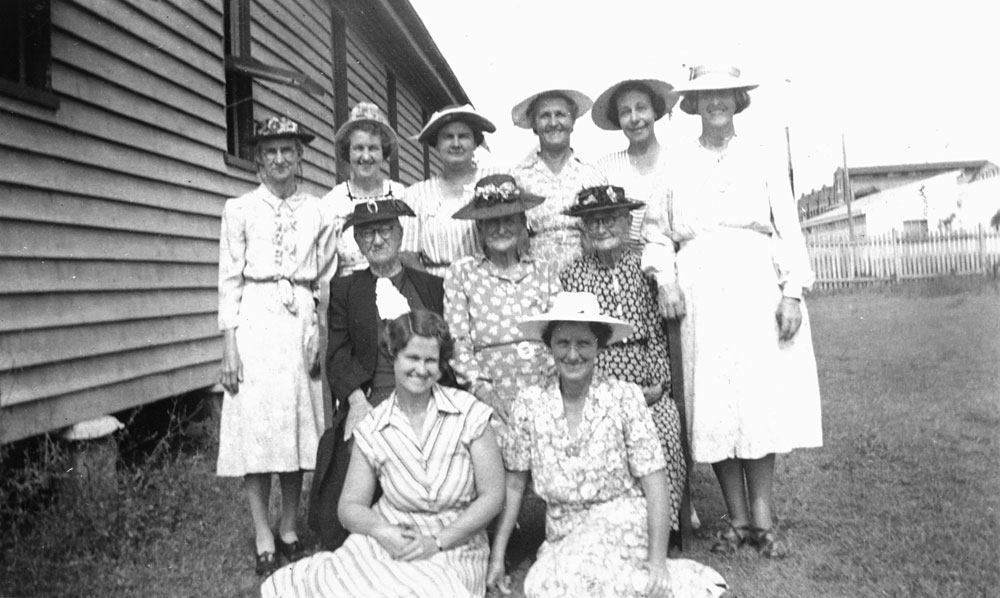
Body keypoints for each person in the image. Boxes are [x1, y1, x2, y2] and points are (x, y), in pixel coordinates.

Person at [642, 65, 823, 557]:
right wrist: (667, 279)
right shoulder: (676, 162)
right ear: (693, 105)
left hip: (754, 281)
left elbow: (787, 227)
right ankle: (736, 518)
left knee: (756, 397)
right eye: (705, 95)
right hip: (699, 286)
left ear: (738, 99)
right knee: (714, 400)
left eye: (724, 93)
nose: (716, 102)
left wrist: (792, 292)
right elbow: (656, 231)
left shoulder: (762, 157)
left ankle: (763, 518)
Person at [487, 292, 727, 598]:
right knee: (542, 584)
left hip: (622, 520)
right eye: (563, 343)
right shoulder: (530, 403)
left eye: (583, 343)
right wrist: (497, 558)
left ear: (599, 345)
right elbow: (514, 486)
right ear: (550, 346)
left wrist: (656, 562)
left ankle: (666, 582)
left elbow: (655, 484)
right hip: (563, 533)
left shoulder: (624, 397)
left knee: (558, 586)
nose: (573, 354)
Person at [263, 310, 505, 598]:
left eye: (430, 360)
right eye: (412, 358)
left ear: (441, 366)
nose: (422, 369)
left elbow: (493, 496)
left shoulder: (469, 413)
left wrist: (436, 542)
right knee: (332, 584)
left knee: (423, 591)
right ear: (394, 357)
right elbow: (350, 506)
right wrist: (383, 532)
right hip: (390, 537)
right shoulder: (374, 427)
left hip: (454, 544)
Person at [216, 115, 338, 575]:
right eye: (271, 152)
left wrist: (317, 330)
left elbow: (324, 277)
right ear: (258, 160)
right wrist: (229, 345)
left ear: (301, 155)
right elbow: (229, 280)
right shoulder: (240, 209)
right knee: (257, 429)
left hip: (300, 317)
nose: (281, 159)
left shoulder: (318, 211)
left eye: (289, 150)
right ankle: (261, 531)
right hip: (255, 318)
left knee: (294, 425)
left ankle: (288, 526)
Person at [310, 199, 448, 552]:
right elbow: (337, 353)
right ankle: (355, 544)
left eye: (385, 229)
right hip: (371, 397)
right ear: (357, 242)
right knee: (350, 456)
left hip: (425, 393)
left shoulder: (430, 286)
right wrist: (355, 399)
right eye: (367, 233)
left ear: (400, 234)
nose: (377, 239)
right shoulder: (347, 289)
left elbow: (444, 349)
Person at [559, 185, 686, 534]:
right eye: (592, 222)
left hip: (648, 387)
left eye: (609, 220)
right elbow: (576, 346)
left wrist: (659, 385)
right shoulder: (573, 275)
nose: (601, 229)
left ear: (627, 220)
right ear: (583, 227)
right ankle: (613, 530)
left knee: (664, 429)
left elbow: (659, 336)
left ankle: (663, 526)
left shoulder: (646, 268)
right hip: (597, 387)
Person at [510, 88, 605, 269]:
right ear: (534, 125)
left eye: (561, 114)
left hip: (588, 270)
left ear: (572, 121)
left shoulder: (591, 171)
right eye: (545, 116)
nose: (553, 122)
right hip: (536, 274)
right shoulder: (519, 175)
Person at [402, 104, 498, 277]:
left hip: (488, 285)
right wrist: (433, 290)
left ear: (476, 142)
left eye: (463, 136)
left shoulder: (493, 181)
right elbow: (408, 255)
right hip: (434, 286)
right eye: (447, 137)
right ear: (436, 144)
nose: (456, 144)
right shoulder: (417, 195)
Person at [323, 102, 407, 278]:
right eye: (359, 148)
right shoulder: (333, 202)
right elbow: (326, 268)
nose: (366, 157)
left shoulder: (401, 195)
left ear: (383, 153)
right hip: (349, 295)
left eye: (373, 148)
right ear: (348, 152)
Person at [592, 78, 678, 245]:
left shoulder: (676, 162)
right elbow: (594, 227)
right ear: (618, 119)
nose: (634, 118)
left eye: (641, 108)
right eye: (625, 112)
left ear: (654, 111)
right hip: (620, 266)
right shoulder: (606, 168)